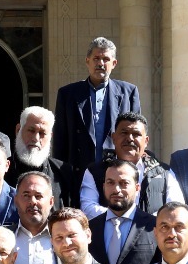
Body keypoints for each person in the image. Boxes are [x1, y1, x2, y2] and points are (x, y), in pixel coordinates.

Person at [54, 36, 141, 169]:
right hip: (79, 171)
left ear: (114, 63)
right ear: (87, 61)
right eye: (96, 58)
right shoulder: (67, 94)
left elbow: (136, 135)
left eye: (106, 59)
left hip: (117, 170)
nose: (100, 63)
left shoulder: (129, 92)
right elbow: (60, 139)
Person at [78, 112, 183, 219]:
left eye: (136, 134)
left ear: (146, 141)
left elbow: (176, 208)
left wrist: (142, 222)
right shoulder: (95, 171)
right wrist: (122, 218)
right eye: (124, 133)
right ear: (114, 138)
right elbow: (87, 208)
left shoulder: (163, 172)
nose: (129, 139)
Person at [88, 159, 158, 264]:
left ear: (137, 188)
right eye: (110, 183)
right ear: (104, 187)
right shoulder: (90, 228)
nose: (116, 189)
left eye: (124, 183)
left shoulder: (154, 226)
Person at [6, 105, 76, 208]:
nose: (35, 138)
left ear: (50, 136)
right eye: (31, 130)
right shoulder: (2, 171)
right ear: (18, 130)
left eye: (42, 133)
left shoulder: (64, 172)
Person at [8, 170, 57, 264]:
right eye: (26, 195)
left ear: (51, 202)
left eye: (38, 196)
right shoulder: (4, 237)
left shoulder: (61, 238)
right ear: (16, 201)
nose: (32, 201)